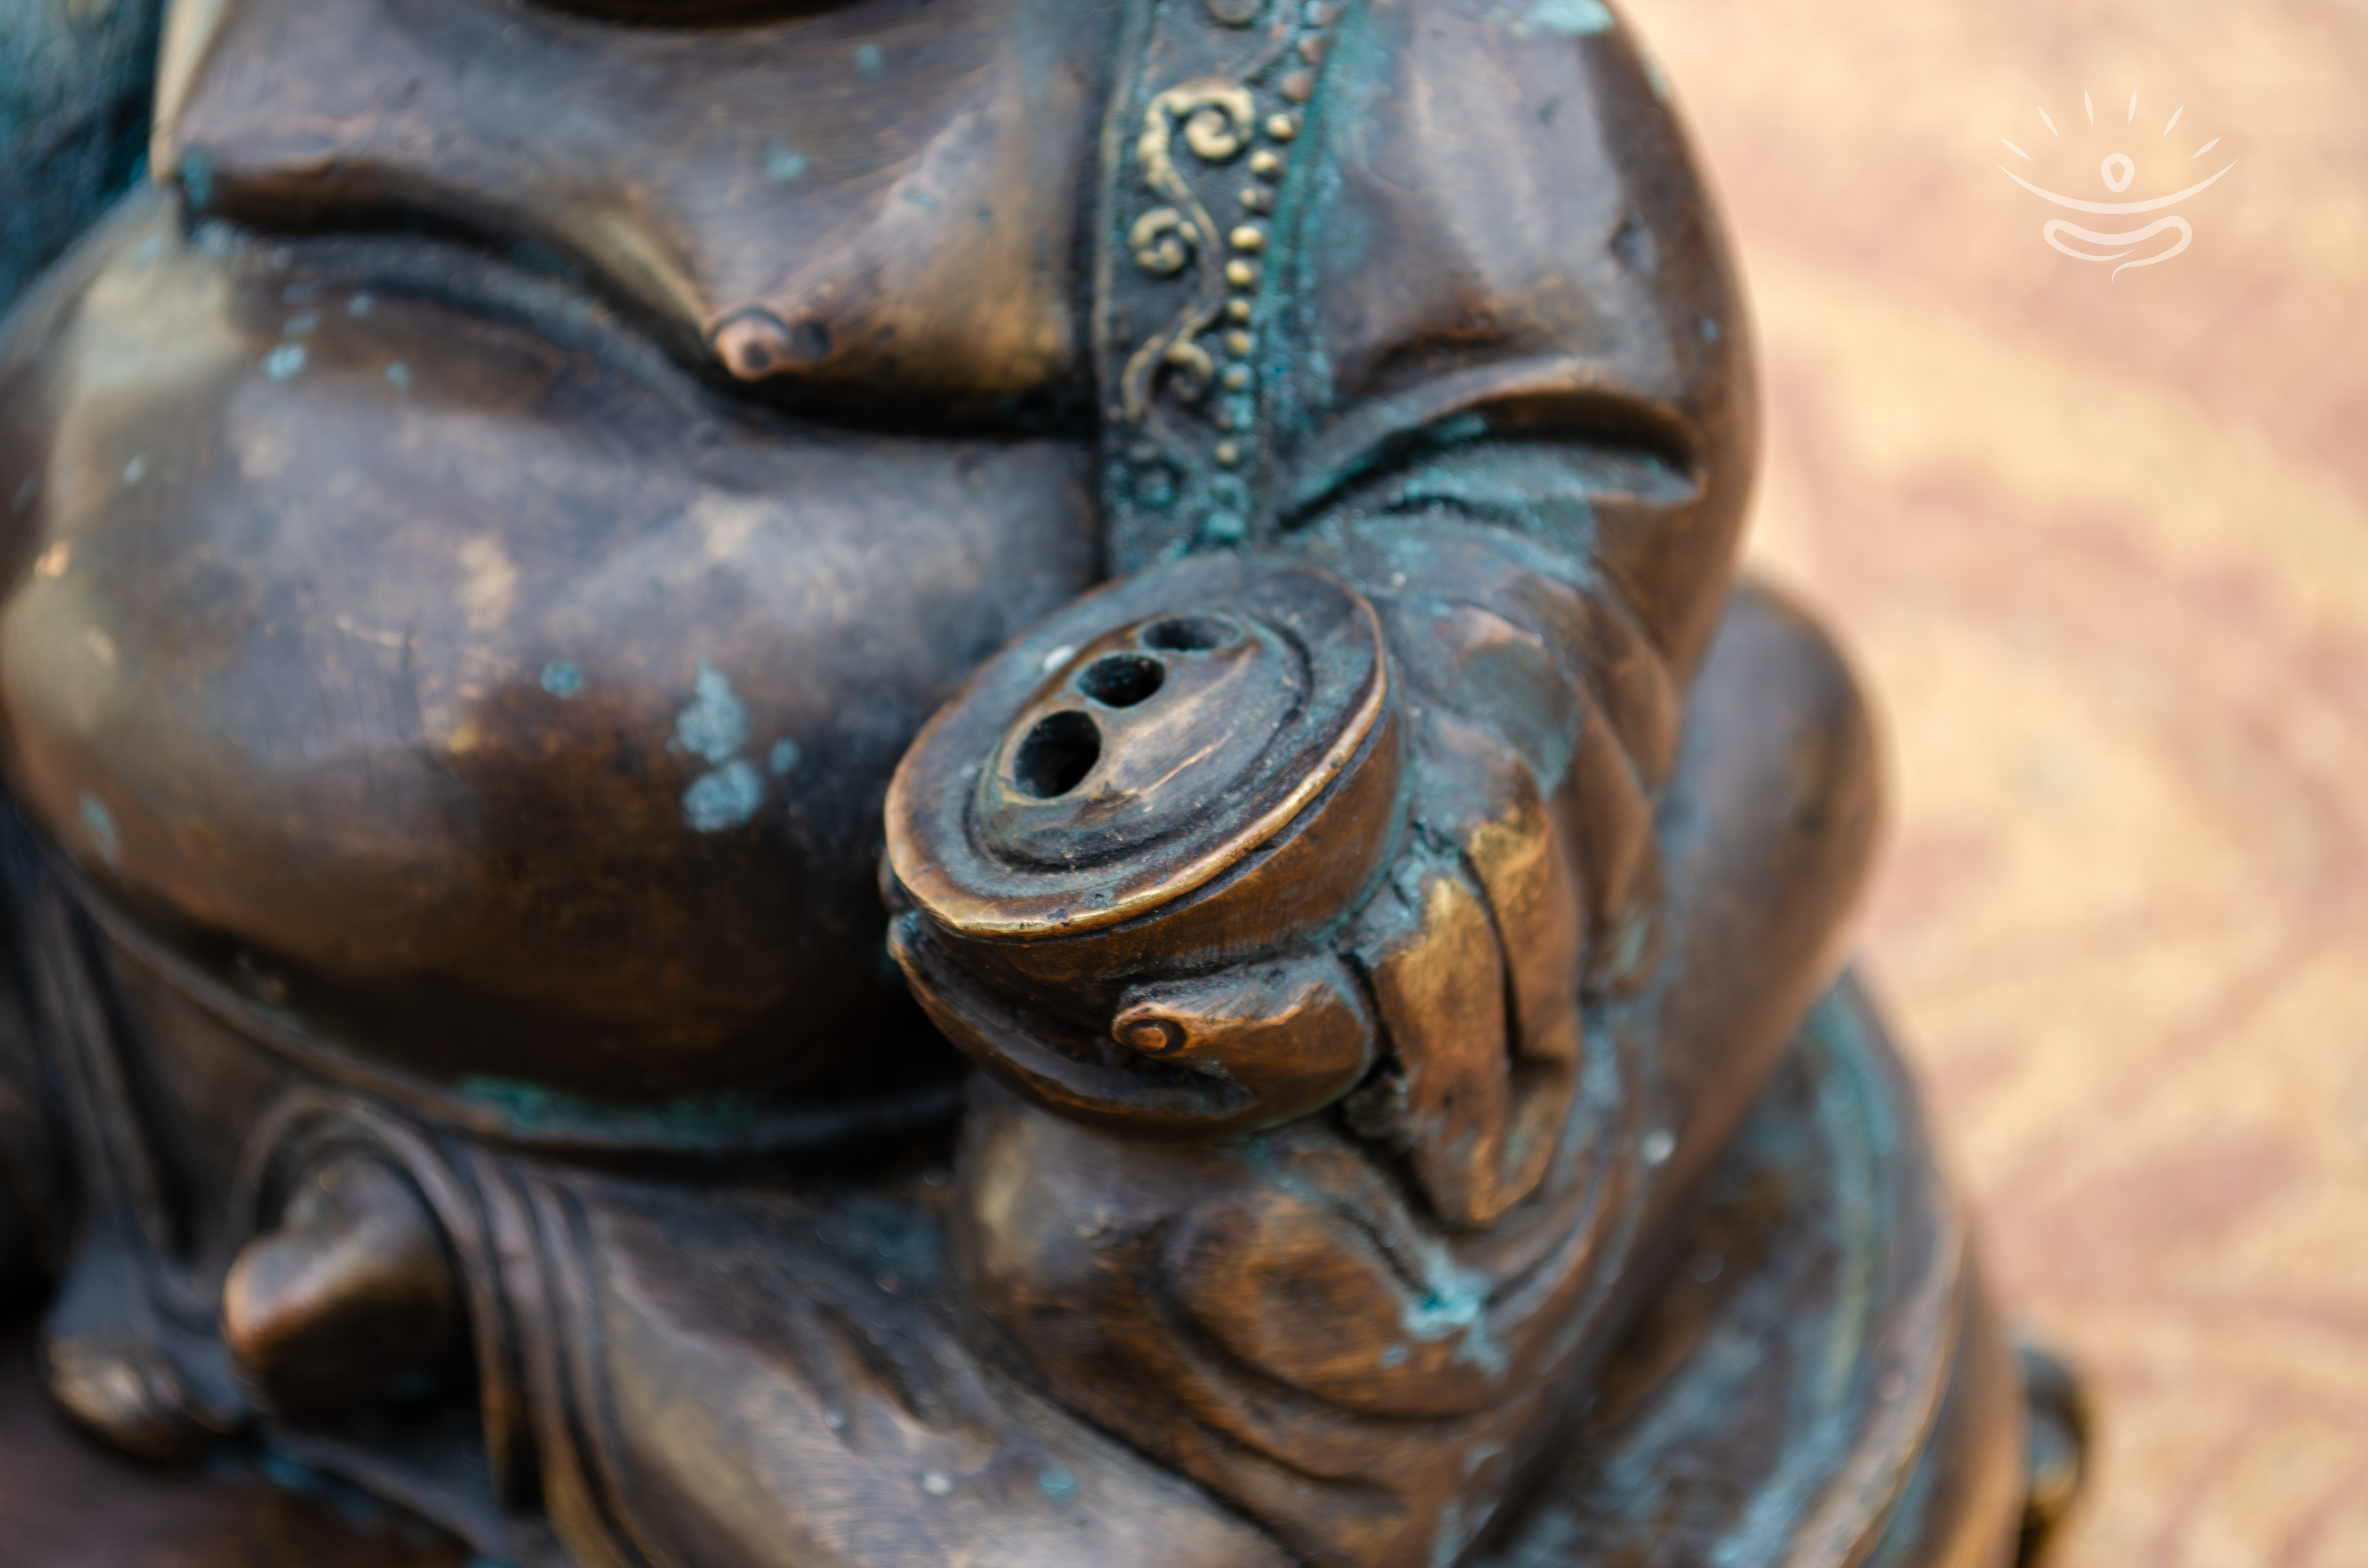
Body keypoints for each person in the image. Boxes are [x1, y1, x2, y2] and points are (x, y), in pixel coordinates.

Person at [0, 1, 2042, 1563]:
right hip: (102, 968)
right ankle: (390, 1244)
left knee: (1165, 1316)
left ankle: (508, 1291)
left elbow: (1547, 422)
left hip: (914, 1101)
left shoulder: (1287, 53)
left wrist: (1419, 702)